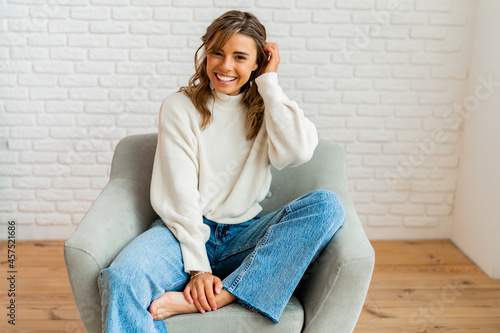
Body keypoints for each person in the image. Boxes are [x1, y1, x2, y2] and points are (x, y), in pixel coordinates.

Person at [98, 10, 345, 332]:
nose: (225, 66)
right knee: (123, 277)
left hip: (245, 235)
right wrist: (198, 269)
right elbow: (179, 194)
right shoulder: (180, 107)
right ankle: (228, 288)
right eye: (217, 53)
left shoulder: (270, 108)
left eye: (240, 57)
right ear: (206, 55)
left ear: (258, 62)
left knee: (327, 205)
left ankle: (228, 293)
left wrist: (269, 84)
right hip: (182, 232)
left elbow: (298, 151)